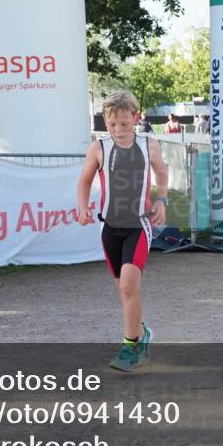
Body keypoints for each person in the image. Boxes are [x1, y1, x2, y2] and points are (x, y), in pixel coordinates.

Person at [78, 91, 168, 373]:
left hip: (138, 225)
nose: (118, 130)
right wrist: (83, 207)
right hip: (110, 227)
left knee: (129, 285)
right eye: (112, 124)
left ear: (136, 118)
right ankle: (142, 333)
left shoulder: (149, 145)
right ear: (105, 120)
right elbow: (84, 181)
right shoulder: (99, 148)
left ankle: (131, 347)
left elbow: (162, 172)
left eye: (124, 124)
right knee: (123, 288)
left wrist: (162, 199)